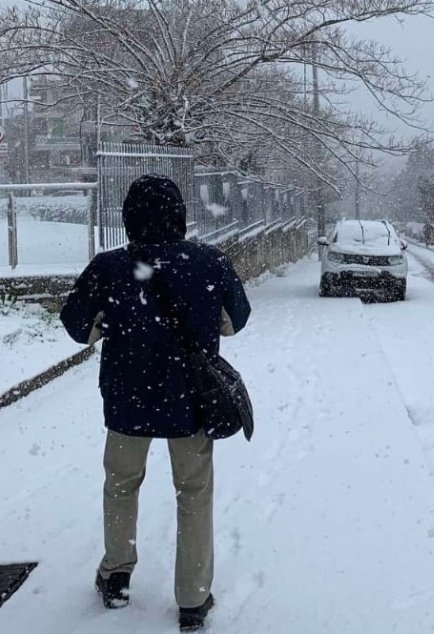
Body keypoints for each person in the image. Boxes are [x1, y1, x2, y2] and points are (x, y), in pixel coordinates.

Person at [61, 174, 251, 631]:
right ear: (180, 216)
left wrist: (111, 324)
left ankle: (117, 575)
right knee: (194, 491)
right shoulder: (210, 263)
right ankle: (192, 597)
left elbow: (76, 326)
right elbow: (234, 320)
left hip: (127, 402)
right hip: (192, 404)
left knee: (121, 485)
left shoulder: (108, 267)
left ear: (128, 218)